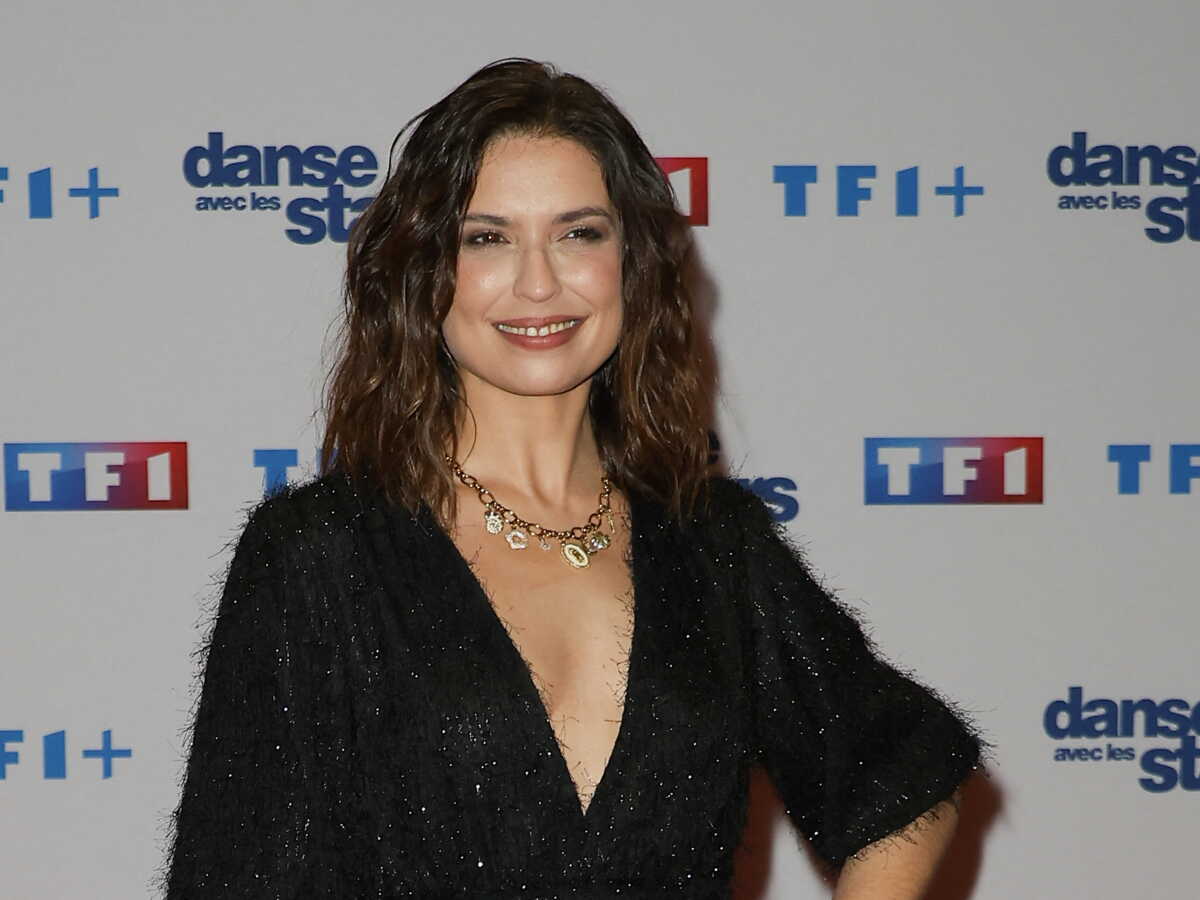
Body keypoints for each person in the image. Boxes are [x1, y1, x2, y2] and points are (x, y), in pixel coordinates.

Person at [161, 58, 987, 899]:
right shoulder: (319, 557)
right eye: (487, 238)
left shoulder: (713, 543)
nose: (538, 281)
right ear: (424, 272)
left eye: (578, 233)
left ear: (632, 261)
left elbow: (906, 776)